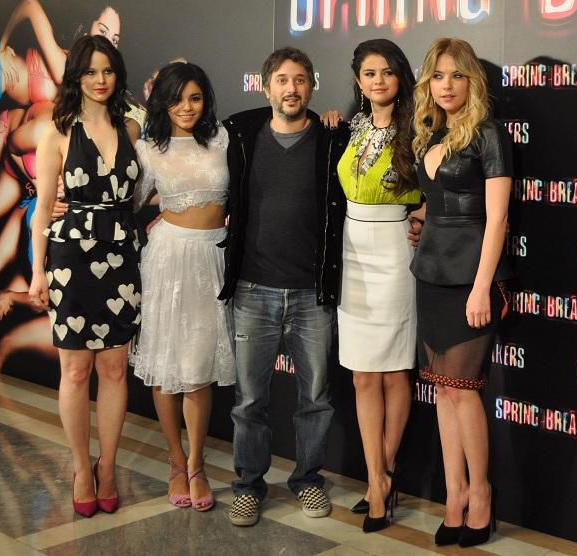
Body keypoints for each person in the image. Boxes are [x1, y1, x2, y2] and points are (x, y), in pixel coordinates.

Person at [219, 46, 349, 528]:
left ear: (311, 86)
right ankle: (248, 486)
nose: (291, 89)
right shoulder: (241, 134)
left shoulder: (332, 138)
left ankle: (308, 479)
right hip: (253, 290)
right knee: (249, 401)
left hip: (312, 294)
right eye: (282, 80)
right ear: (266, 86)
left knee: (315, 399)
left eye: (299, 80)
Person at [27, 35, 141, 518]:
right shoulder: (56, 131)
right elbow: (42, 210)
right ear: (76, 75)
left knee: (114, 369)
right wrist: (37, 272)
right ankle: (80, 468)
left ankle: (107, 466)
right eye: (91, 71)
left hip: (122, 256)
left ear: (117, 75)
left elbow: (142, 192)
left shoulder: (131, 126)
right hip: (72, 260)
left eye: (107, 70)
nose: (100, 80)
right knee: (75, 371)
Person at [411, 37, 513, 548]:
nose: (446, 85)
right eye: (437, 76)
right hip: (430, 273)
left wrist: (481, 288)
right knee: (443, 391)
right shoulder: (431, 134)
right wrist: (420, 217)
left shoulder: (489, 134)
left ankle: (481, 495)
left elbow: (497, 219)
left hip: (471, 279)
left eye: (456, 75)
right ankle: (453, 498)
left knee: (464, 390)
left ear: (472, 80)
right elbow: (438, 202)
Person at [129, 62, 234, 512]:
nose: (187, 107)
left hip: (213, 258)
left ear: (206, 100)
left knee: (197, 368)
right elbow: (128, 199)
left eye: (195, 98)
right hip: (169, 259)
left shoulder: (222, 139)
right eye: (176, 99)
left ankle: (197, 463)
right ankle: (176, 461)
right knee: (167, 364)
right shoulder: (148, 149)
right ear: (162, 103)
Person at [330, 38, 420, 533]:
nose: (378, 80)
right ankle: (377, 477)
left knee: (394, 372)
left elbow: (441, 186)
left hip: (396, 251)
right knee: (363, 376)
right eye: (369, 73)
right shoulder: (352, 127)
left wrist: (424, 213)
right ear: (358, 81)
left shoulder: (420, 128)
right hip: (352, 251)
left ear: (400, 77)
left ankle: (381, 478)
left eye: (387, 71)